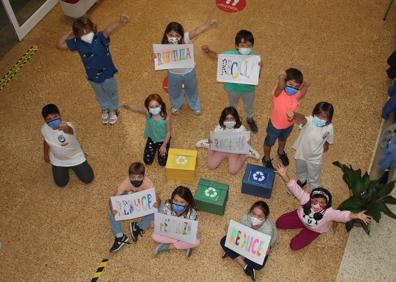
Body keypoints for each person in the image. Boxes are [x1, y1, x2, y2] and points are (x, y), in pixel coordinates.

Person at [275, 163, 372, 250]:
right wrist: (284, 175)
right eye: (315, 201)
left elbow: (342, 215)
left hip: (314, 230)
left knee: (294, 246)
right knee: (279, 223)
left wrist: (356, 215)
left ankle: (308, 232)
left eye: (322, 203)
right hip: (299, 217)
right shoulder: (305, 198)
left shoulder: (329, 212)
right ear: (311, 198)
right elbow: (295, 188)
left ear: (327, 205)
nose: (317, 205)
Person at [57, 15, 129, 125]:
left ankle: (114, 109)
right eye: (82, 33)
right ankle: (105, 108)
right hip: (92, 77)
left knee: (112, 92)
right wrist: (68, 34)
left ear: (93, 29)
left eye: (88, 31)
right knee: (99, 94)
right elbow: (60, 45)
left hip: (108, 74)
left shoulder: (100, 37)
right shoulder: (77, 42)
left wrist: (119, 21)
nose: (86, 35)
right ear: (77, 35)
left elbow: (108, 29)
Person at [202, 29, 260, 133]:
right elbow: (217, 57)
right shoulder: (230, 55)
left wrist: (259, 68)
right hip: (232, 88)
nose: (245, 48)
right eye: (242, 45)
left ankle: (250, 118)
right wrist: (208, 51)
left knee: (249, 105)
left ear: (252, 46)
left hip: (249, 89)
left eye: (249, 46)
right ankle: (231, 119)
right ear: (237, 46)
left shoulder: (255, 58)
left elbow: (256, 76)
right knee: (232, 104)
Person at [159, 19, 217, 115]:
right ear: (166, 34)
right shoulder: (164, 45)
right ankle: (176, 105)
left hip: (189, 71)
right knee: (174, 91)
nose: (174, 38)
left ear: (182, 35)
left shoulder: (186, 38)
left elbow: (196, 31)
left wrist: (208, 24)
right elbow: (160, 59)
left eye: (177, 36)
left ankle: (195, 105)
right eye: (171, 35)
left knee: (192, 89)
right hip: (173, 74)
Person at [262, 69, 310, 169]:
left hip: (288, 125)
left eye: (296, 86)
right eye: (290, 84)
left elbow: (302, 94)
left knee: (283, 139)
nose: (293, 88)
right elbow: (280, 86)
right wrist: (281, 77)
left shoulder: (295, 94)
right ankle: (266, 158)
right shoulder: (278, 92)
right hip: (275, 125)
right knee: (269, 143)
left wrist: (305, 86)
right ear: (285, 82)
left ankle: (280, 152)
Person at [108, 162, 160, 253]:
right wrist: (113, 209)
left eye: (139, 177)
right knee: (111, 208)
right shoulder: (126, 182)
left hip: (142, 199)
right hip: (129, 196)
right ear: (129, 176)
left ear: (144, 176)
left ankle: (138, 226)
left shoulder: (148, 182)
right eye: (133, 177)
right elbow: (112, 198)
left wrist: (157, 204)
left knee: (160, 208)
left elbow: (157, 198)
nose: (136, 180)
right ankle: (120, 236)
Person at [220, 201, 278, 281]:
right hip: (246, 239)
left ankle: (233, 254)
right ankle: (244, 265)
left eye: (259, 216)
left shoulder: (268, 230)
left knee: (258, 265)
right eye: (253, 214)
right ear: (250, 212)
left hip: (258, 245)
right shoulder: (246, 218)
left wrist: (266, 252)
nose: (255, 218)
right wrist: (229, 230)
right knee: (223, 241)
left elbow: (264, 249)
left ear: (265, 217)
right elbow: (237, 230)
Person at [41, 104, 94, 187]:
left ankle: (80, 155)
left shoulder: (68, 126)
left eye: (55, 117)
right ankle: (68, 167)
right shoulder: (44, 128)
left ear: (60, 115)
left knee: (88, 178)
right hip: (58, 160)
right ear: (45, 121)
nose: (53, 120)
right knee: (61, 183)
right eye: (49, 119)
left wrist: (66, 128)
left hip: (75, 157)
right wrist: (45, 154)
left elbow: (70, 131)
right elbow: (46, 140)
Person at [195, 106, 260, 174]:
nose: (229, 121)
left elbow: (247, 141)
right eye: (226, 119)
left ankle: (246, 154)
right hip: (221, 149)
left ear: (236, 119)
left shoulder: (241, 128)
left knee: (233, 170)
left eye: (232, 119)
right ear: (223, 119)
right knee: (211, 165)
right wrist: (210, 141)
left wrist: (247, 144)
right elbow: (213, 137)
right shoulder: (219, 127)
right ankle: (208, 145)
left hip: (234, 151)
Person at [288, 102, 334, 188]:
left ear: (329, 118)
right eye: (317, 115)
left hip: (315, 157)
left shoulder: (329, 127)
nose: (319, 118)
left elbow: (328, 138)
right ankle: (302, 180)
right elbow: (302, 118)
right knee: (300, 169)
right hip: (302, 153)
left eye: (323, 117)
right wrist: (294, 114)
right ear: (314, 114)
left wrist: (327, 145)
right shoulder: (310, 121)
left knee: (314, 173)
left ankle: (314, 185)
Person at [122, 94, 171, 166]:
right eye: (151, 107)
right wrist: (128, 106)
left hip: (163, 140)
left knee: (163, 163)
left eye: (156, 106)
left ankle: (166, 145)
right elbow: (137, 109)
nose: (154, 109)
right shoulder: (148, 113)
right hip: (152, 139)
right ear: (148, 107)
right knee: (147, 161)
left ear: (161, 105)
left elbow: (168, 132)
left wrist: (164, 145)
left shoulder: (166, 118)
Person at [152, 186, 199, 257]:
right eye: (175, 200)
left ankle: (169, 246)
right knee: (154, 236)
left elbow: (194, 229)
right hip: (170, 232)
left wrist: (195, 232)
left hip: (183, 235)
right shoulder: (168, 206)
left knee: (196, 241)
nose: (178, 204)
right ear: (172, 199)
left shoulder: (192, 213)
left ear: (187, 203)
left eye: (182, 202)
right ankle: (184, 245)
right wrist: (156, 223)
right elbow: (162, 220)